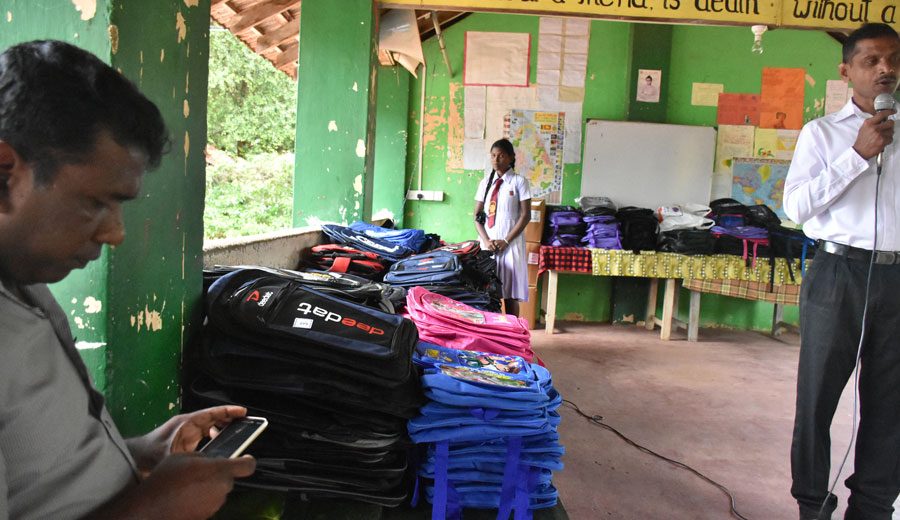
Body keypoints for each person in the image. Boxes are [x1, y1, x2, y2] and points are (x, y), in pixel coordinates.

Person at [0, 41, 255, 519]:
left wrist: (137, 452)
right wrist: (153, 508)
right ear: (5, 171)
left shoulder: (24, 281)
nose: (115, 233)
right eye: (96, 203)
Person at [783, 23, 900, 520]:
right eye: (872, 60)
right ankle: (812, 503)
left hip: (896, 278)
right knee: (817, 396)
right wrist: (857, 155)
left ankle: (872, 506)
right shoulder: (822, 134)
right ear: (847, 70)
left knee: (890, 404)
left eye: (893, 59)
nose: (885, 70)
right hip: (837, 272)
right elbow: (796, 208)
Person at [473, 139, 532, 317]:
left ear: (511, 157)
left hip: (510, 244)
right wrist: (485, 240)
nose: (496, 159)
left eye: (501, 155)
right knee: (487, 290)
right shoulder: (485, 183)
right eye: (493, 156)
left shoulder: (519, 182)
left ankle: (512, 334)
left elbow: (525, 215)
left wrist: (506, 240)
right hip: (488, 244)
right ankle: (494, 334)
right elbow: (477, 217)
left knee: (510, 292)